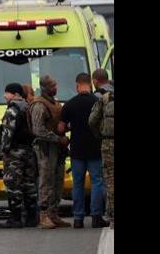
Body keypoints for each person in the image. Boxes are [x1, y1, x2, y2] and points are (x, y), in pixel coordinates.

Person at [60, 73, 109, 229]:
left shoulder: (69, 104)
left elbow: (61, 127)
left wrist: (68, 129)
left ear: (77, 85)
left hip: (77, 150)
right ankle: (96, 217)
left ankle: (78, 218)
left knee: (78, 184)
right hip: (95, 148)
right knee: (97, 182)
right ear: (90, 84)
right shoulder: (98, 102)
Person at [30, 75, 70, 229]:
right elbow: (38, 129)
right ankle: (44, 215)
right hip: (45, 148)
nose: (56, 87)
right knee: (46, 181)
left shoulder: (55, 102)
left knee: (57, 180)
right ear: (45, 87)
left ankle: (54, 213)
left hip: (57, 148)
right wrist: (57, 139)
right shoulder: (39, 105)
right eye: (53, 85)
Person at [0, 83, 37, 229]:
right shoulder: (28, 107)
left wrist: (4, 149)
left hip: (15, 153)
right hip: (29, 151)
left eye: (6, 93)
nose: (4, 96)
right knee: (29, 184)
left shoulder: (13, 109)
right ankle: (32, 218)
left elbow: (8, 132)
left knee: (13, 184)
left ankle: (15, 218)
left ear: (14, 94)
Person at [89, 69, 114, 229]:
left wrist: (100, 135)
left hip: (108, 143)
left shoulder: (103, 98)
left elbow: (92, 121)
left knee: (110, 180)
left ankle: (112, 216)